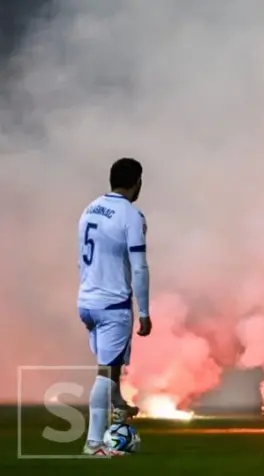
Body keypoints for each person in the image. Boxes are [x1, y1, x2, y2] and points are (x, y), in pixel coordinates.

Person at [77, 157, 152, 455]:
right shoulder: (130, 215)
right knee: (106, 371)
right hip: (112, 304)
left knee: (112, 365)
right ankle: (94, 443)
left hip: (87, 301)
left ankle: (118, 405)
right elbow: (139, 268)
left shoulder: (89, 209)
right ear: (137, 182)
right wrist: (144, 312)